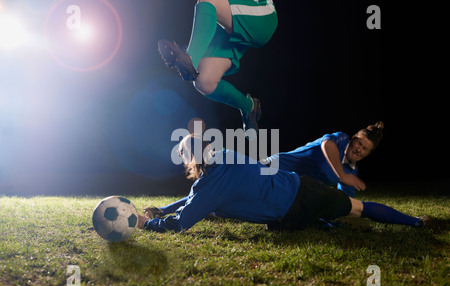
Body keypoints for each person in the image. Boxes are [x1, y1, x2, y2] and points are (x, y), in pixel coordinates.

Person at [137, 134, 429, 232]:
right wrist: (162, 208)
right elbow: (195, 197)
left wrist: (147, 223)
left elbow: (182, 220)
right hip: (305, 189)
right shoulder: (227, 154)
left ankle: (322, 224)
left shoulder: (206, 190)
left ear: (189, 162)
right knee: (358, 208)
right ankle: (416, 223)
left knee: (284, 222)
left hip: (287, 218)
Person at [143, 121, 385, 221]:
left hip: (293, 190)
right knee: (217, 188)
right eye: (359, 143)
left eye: (365, 149)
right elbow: (327, 145)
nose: (359, 149)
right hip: (273, 169)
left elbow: (345, 195)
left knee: (221, 196)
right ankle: (166, 210)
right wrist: (343, 176)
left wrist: (345, 207)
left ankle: (203, 209)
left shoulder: (350, 169)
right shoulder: (338, 141)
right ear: (352, 139)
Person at [157, 0, 278, 139]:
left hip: (262, 15)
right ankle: (249, 107)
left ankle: (190, 59)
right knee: (204, 80)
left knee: (208, 1)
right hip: (227, 22)